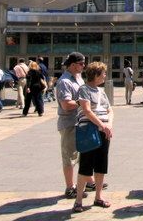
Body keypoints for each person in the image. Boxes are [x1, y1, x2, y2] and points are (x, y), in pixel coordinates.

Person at [72, 62, 113, 213]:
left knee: (101, 165)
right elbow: (87, 110)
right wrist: (102, 125)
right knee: (86, 165)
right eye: (103, 73)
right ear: (95, 74)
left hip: (104, 132)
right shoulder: (84, 90)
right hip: (90, 131)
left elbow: (110, 110)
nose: (105, 76)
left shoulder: (101, 91)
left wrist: (109, 125)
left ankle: (98, 196)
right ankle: (78, 200)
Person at [56, 52, 96, 199]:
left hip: (81, 122)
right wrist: (82, 101)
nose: (83, 66)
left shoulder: (78, 78)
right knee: (69, 155)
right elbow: (66, 105)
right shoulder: (64, 82)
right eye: (81, 63)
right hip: (69, 123)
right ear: (72, 65)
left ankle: (90, 181)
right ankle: (70, 187)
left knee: (84, 153)